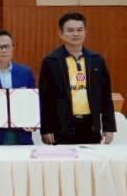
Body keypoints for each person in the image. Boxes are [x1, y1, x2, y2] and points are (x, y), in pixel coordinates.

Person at [39, 12, 116, 145]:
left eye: (79, 30)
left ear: (85, 32)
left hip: (90, 126)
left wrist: (109, 127)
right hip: (61, 127)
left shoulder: (96, 60)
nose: (76, 34)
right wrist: (46, 129)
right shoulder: (51, 61)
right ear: (61, 34)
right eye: (70, 30)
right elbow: (44, 98)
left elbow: (106, 96)